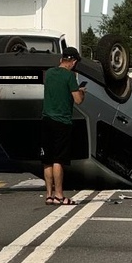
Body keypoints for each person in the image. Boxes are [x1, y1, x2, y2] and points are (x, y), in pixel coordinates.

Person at [41, 46, 85, 205]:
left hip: (46, 119)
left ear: (61, 59)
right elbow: (78, 100)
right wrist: (82, 91)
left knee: (47, 159)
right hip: (62, 121)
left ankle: (49, 195)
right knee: (58, 159)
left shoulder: (50, 73)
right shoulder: (70, 76)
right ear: (72, 62)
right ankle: (59, 195)